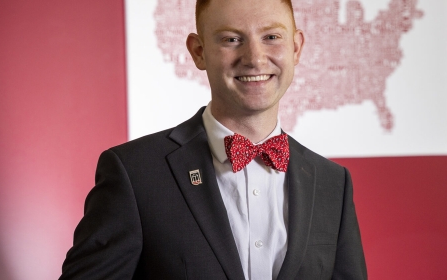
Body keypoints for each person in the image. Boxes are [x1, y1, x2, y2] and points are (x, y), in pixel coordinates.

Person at [59, 0, 367, 279]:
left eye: (271, 37)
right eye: (232, 39)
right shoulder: (135, 173)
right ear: (199, 51)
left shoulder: (333, 183)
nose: (255, 58)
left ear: (296, 48)